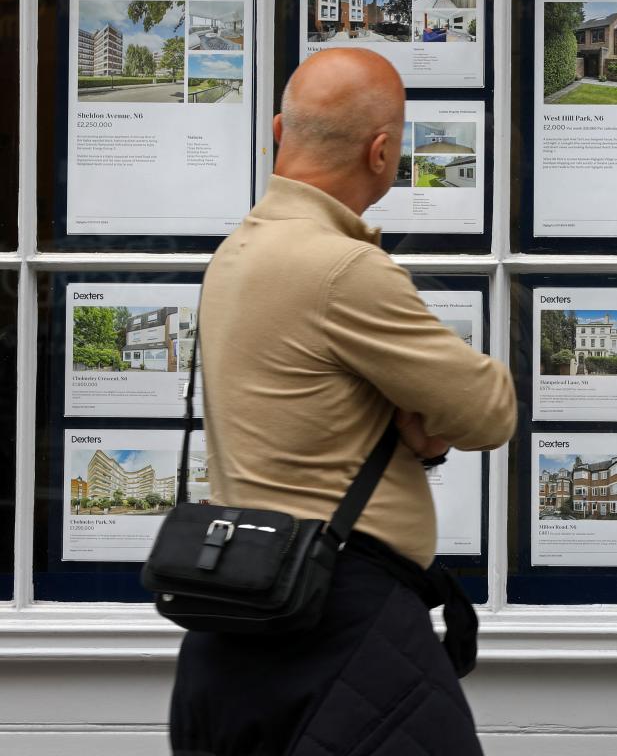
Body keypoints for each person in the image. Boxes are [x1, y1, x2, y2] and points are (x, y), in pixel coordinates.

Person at [169, 48, 514, 756]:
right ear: (382, 152)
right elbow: (487, 408)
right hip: (339, 626)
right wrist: (424, 426)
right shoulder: (345, 268)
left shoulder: (236, 252)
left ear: (276, 130)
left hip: (236, 617)